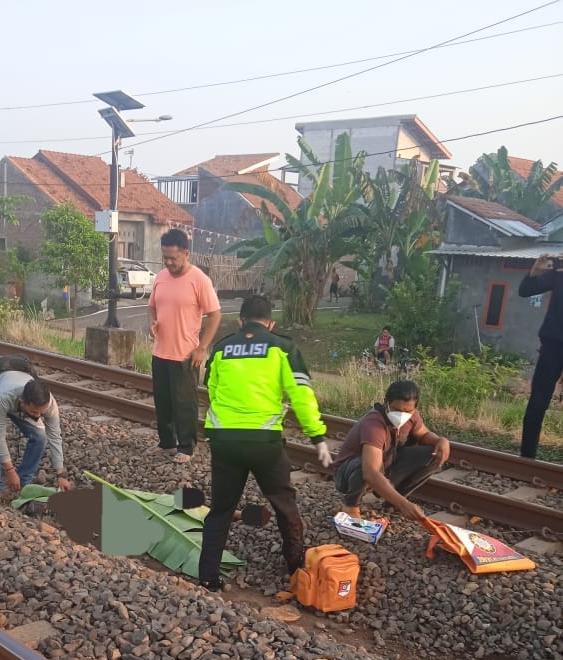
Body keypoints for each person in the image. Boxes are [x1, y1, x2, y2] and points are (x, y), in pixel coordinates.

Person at [197, 294, 333, 591]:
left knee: (221, 509)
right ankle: (296, 568)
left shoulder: (221, 348)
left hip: (224, 440)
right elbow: (301, 396)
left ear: (240, 321)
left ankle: (208, 576)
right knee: (284, 504)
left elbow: (212, 389)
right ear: (270, 323)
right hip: (263, 442)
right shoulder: (283, 347)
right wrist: (317, 436)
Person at [148, 228, 221, 463]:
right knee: (163, 401)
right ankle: (167, 443)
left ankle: (187, 447)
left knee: (185, 403)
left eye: (173, 258)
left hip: (185, 355)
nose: (169, 263)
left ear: (186, 253)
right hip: (160, 351)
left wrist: (202, 347)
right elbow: (152, 306)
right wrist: (153, 323)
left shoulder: (199, 280)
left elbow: (215, 315)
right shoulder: (160, 277)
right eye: (165, 258)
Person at [333, 379, 450, 521]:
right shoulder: (374, 424)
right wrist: (405, 505)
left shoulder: (412, 417)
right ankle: (350, 505)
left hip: (386, 463)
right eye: (396, 410)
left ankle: (392, 503)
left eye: (407, 411)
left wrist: (440, 440)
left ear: (414, 408)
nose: (401, 415)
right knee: (365, 464)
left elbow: (424, 434)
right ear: (386, 402)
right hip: (348, 475)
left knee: (433, 454)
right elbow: (370, 473)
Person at [0, 369, 72, 499]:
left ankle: (21, 484)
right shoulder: (5, 397)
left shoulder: (50, 405)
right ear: (22, 402)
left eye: (41, 413)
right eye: (34, 412)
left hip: (15, 401)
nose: (38, 416)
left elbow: (54, 436)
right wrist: (10, 470)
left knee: (40, 437)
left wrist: (60, 474)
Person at [518, 253, 563, 458]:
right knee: (538, 401)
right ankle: (527, 458)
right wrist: (535, 273)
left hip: (552, 342)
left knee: (538, 400)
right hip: (553, 344)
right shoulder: (559, 274)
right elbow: (526, 290)